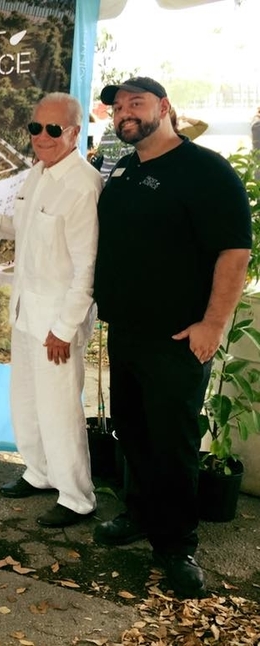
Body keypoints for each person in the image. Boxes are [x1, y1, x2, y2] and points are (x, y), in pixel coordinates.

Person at [93, 77, 252, 598]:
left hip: (179, 338)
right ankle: (140, 516)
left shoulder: (205, 170)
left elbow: (234, 254)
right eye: (118, 107)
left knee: (175, 443)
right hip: (128, 333)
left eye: (135, 104)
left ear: (164, 107)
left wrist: (213, 324)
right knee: (134, 434)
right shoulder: (124, 167)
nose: (125, 114)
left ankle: (178, 544)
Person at [0, 93, 102, 528]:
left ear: (74, 132)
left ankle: (77, 497)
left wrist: (64, 327)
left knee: (59, 410)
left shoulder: (84, 185)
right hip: (25, 314)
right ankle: (39, 474)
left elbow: (87, 268)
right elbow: (23, 227)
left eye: (53, 130)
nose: (42, 137)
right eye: (36, 128)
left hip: (57, 322)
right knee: (27, 403)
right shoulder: (37, 173)